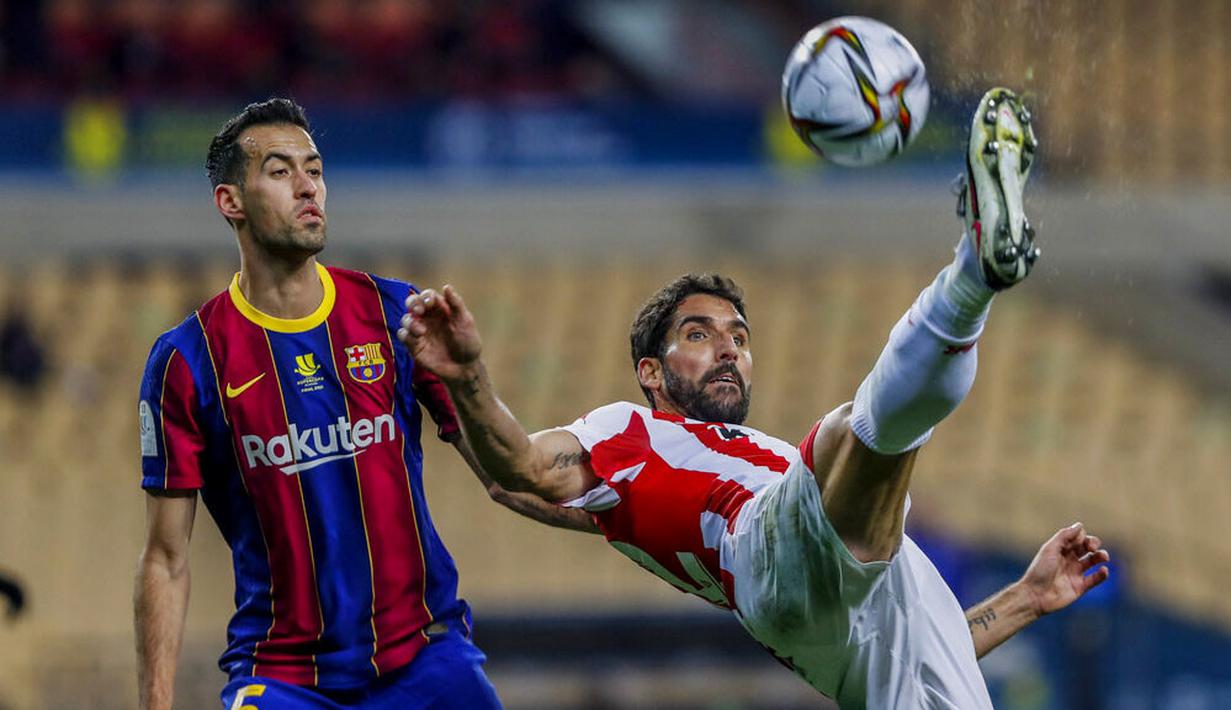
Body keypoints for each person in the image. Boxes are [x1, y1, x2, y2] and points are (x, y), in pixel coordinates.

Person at [398, 88, 1112, 708]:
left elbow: (923, 651)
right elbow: (520, 471)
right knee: (846, 436)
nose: (727, 347)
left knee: (863, 486)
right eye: (698, 334)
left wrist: (1027, 599)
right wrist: (462, 378)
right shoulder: (624, 433)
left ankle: (975, 272)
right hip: (761, 554)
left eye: (737, 335)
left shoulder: (751, 470)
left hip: (841, 627)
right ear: (651, 373)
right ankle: (974, 272)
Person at [133, 98, 594, 710]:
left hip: (424, 660)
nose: (308, 188)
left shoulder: (396, 315)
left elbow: (507, 476)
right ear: (230, 202)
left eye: (315, 170)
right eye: (279, 171)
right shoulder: (188, 361)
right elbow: (166, 559)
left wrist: (630, 530)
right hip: (282, 678)